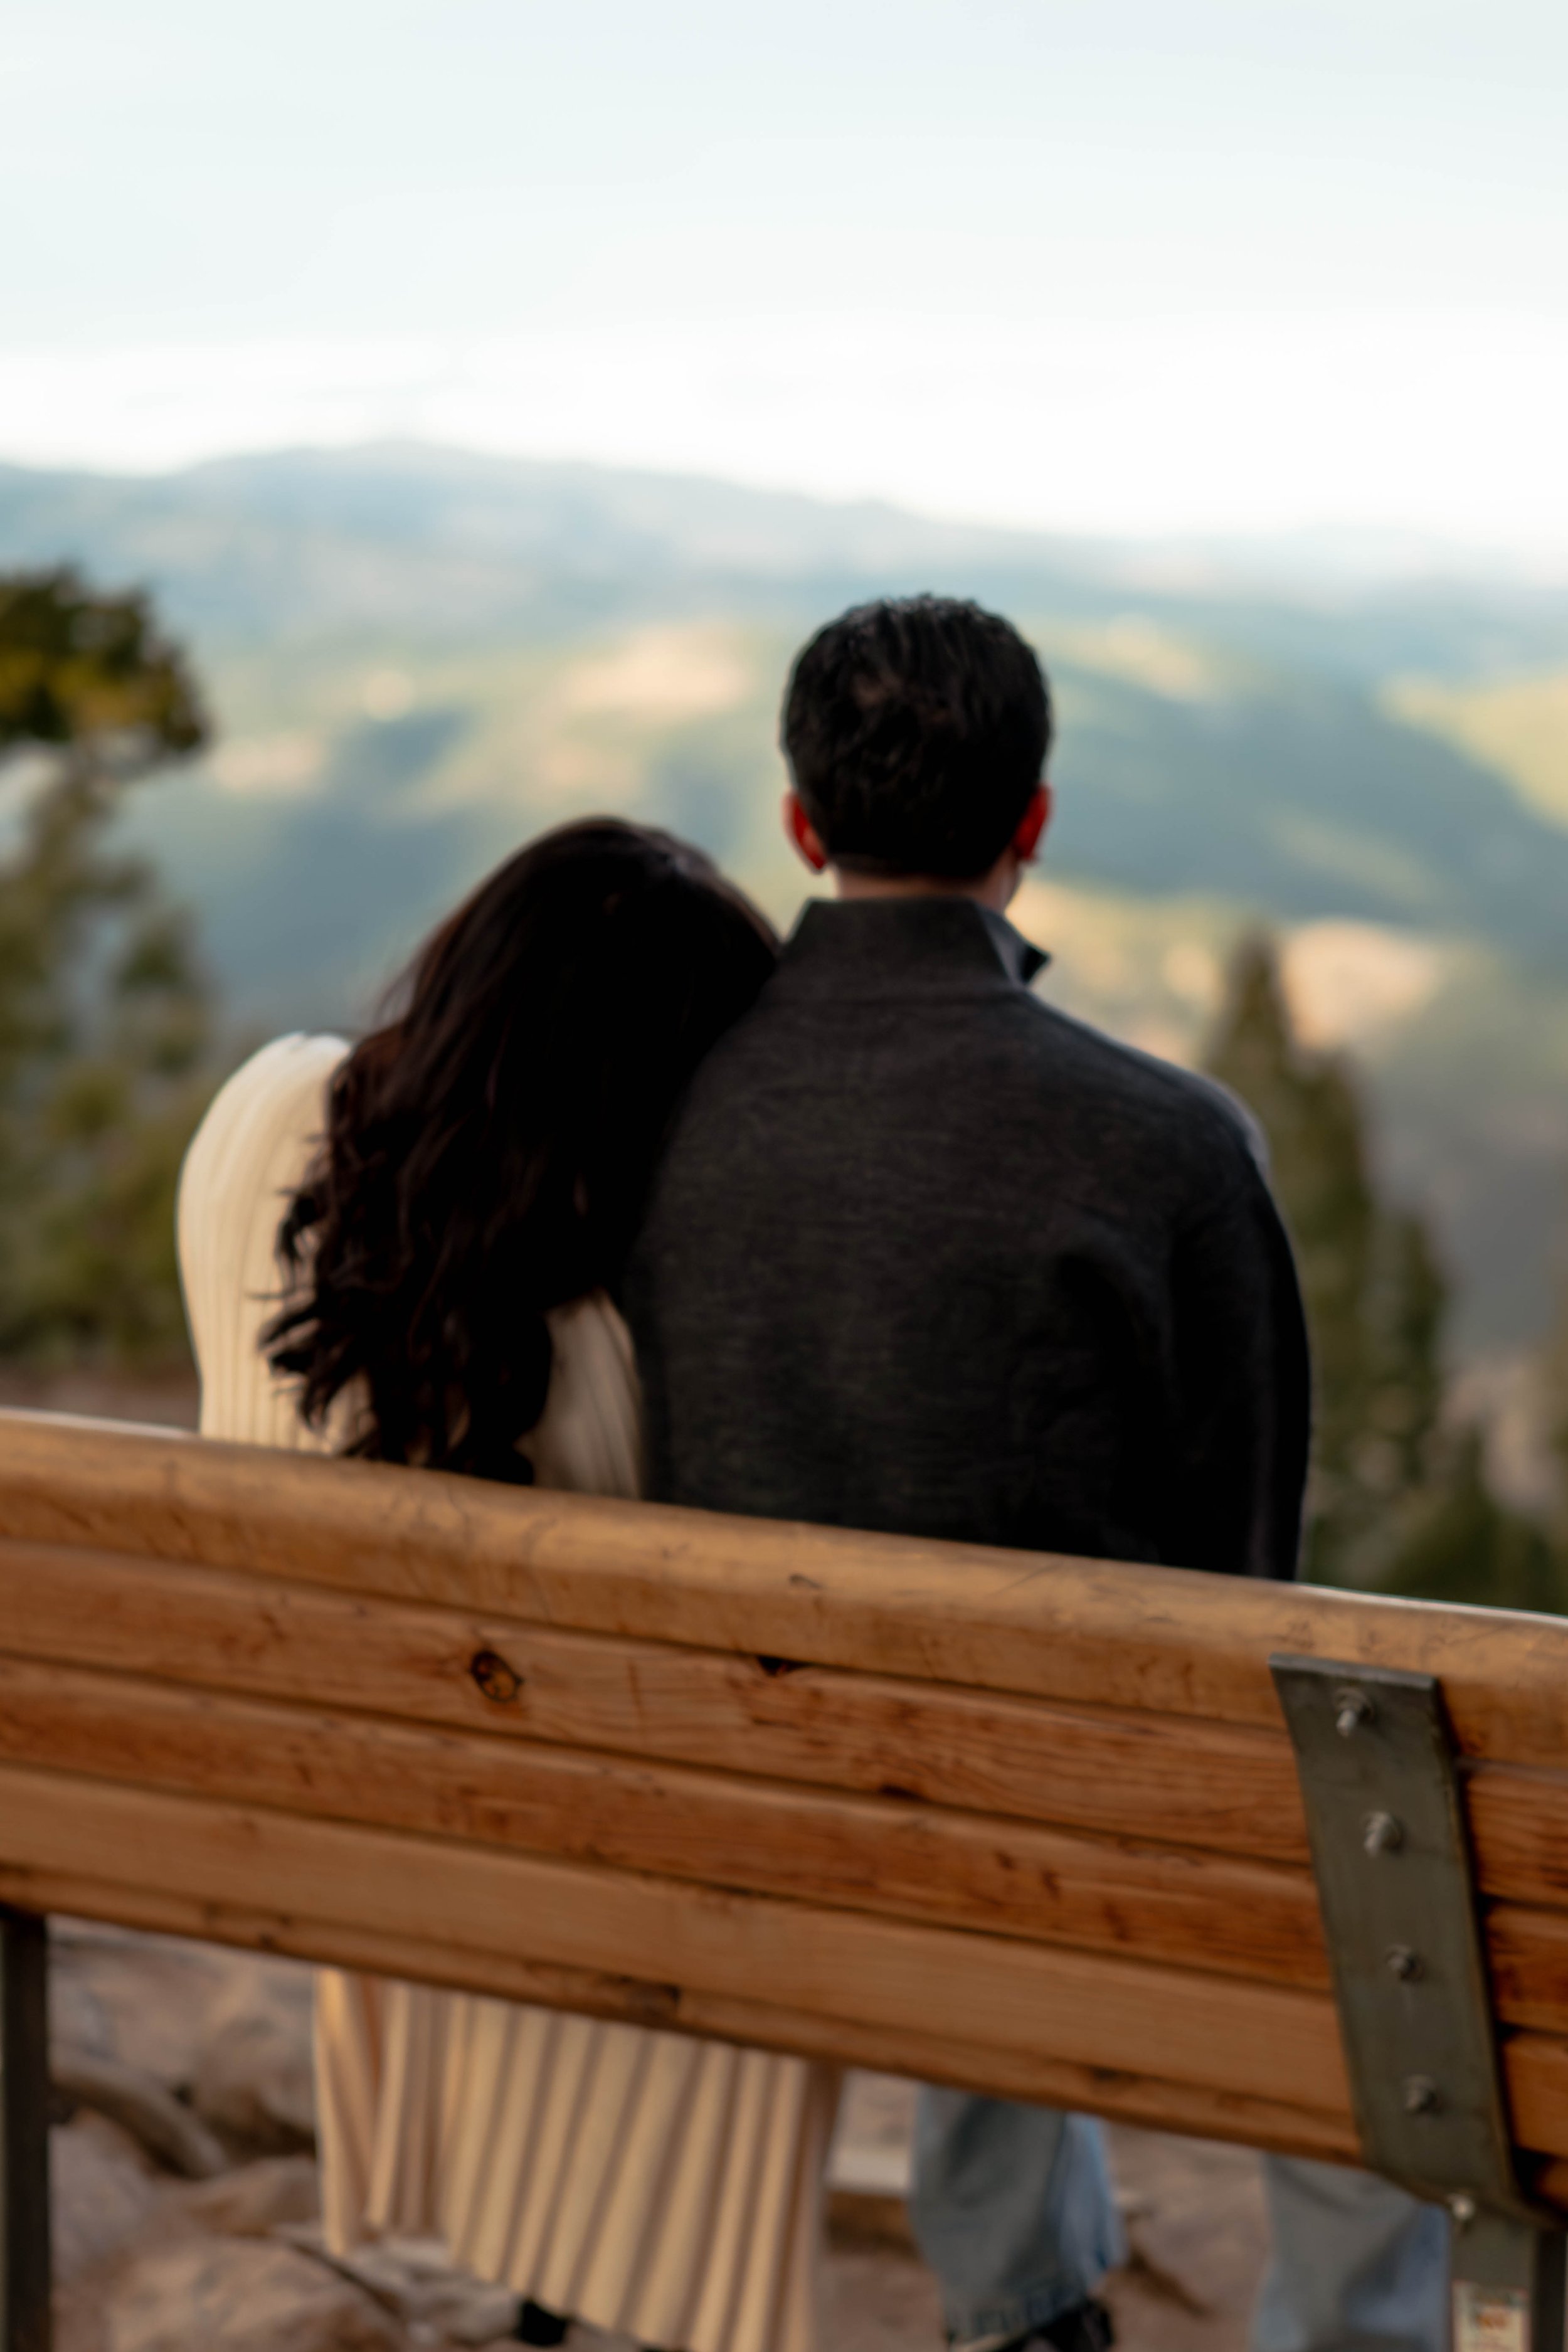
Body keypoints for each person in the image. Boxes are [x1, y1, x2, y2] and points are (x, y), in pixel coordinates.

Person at [625, 597, 1448, 2352]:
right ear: (1034, 822)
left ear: (799, 827)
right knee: (1390, 1891)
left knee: (962, 1718)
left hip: (745, 1795)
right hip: (1054, 1818)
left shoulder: (671, 1104)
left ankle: (1019, 2303)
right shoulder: (1162, 1141)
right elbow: (1246, 1568)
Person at [177, 818, 842, 2352]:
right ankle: (629, 2296)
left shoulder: (262, 1118)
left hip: (298, 1790)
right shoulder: (620, 1358)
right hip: (563, 1865)